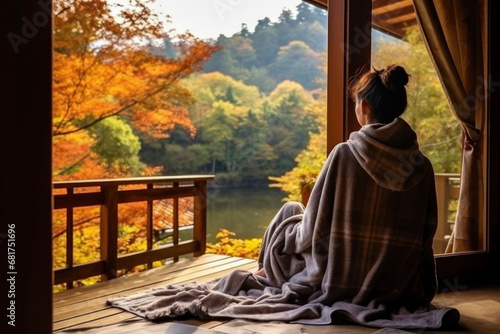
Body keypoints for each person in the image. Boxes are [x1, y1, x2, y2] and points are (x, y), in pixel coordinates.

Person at [108, 64, 459, 329]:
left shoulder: (345, 155)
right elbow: (426, 234)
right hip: (394, 280)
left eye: (355, 103)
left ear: (363, 108)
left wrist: (282, 235)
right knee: (293, 215)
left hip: (337, 277)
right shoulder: (422, 165)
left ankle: (266, 274)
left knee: (289, 211)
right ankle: (268, 274)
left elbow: (310, 233)